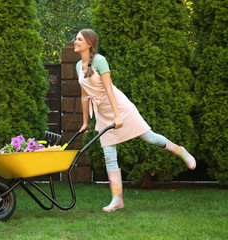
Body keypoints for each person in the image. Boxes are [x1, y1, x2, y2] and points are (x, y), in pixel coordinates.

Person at [74, 29, 196, 212]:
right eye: (76, 39)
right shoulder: (78, 66)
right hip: (102, 113)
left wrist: (117, 116)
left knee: (150, 138)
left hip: (120, 107)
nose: (75, 41)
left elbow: (109, 89)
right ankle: (117, 199)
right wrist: (85, 122)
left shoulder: (99, 61)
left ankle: (181, 152)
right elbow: (85, 95)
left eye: (79, 39)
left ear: (89, 44)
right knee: (109, 153)